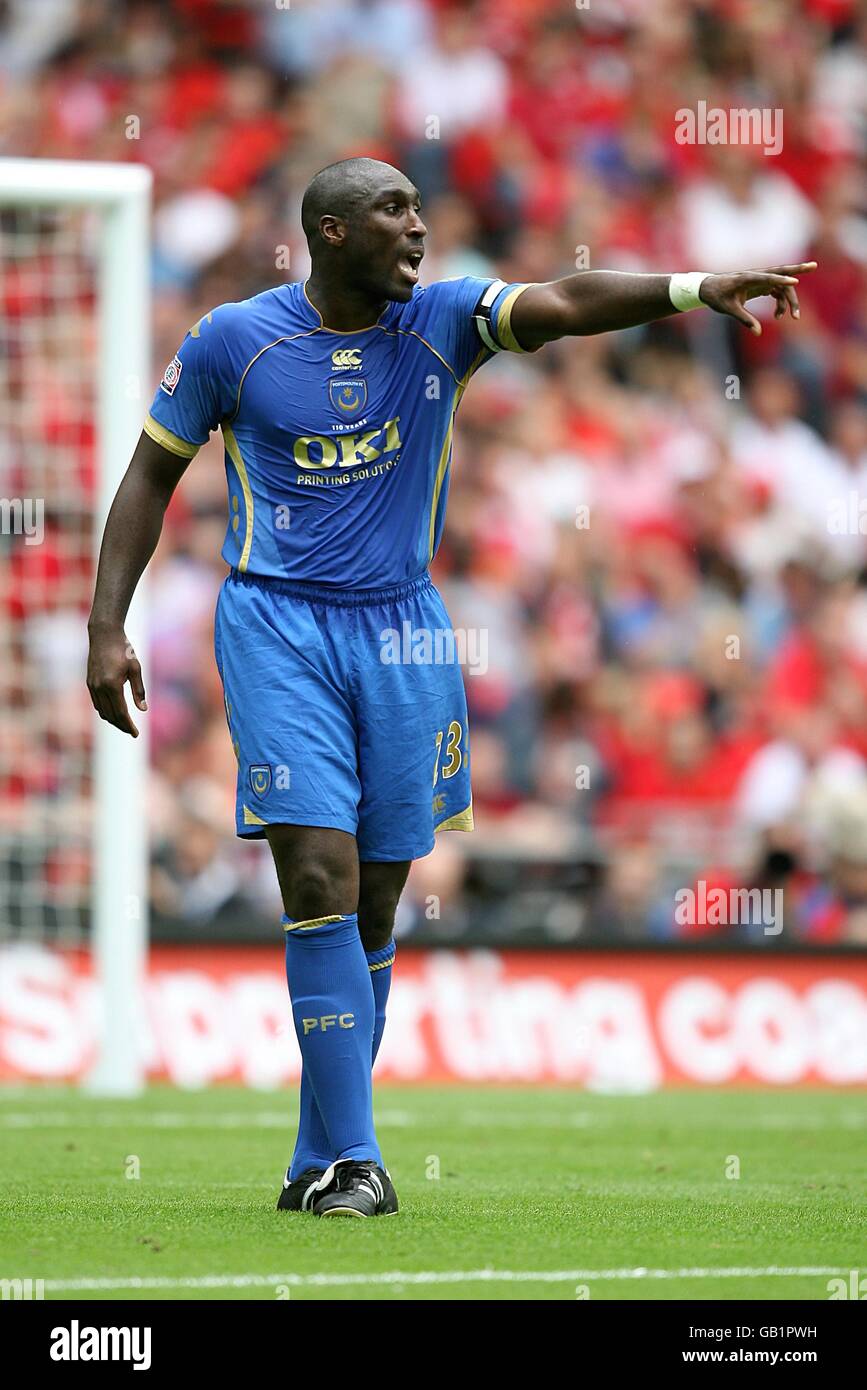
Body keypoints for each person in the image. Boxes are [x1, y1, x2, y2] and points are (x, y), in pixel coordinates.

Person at [86, 156, 816, 1217]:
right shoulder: (233, 341)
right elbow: (151, 474)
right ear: (331, 233)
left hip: (403, 629)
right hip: (276, 623)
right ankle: (362, 1162)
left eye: (418, 208)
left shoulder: (446, 322)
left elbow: (563, 303)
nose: (419, 228)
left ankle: (319, 1155)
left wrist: (694, 288)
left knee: (379, 894)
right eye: (394, 211)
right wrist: (107, 624)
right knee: (320, 878)